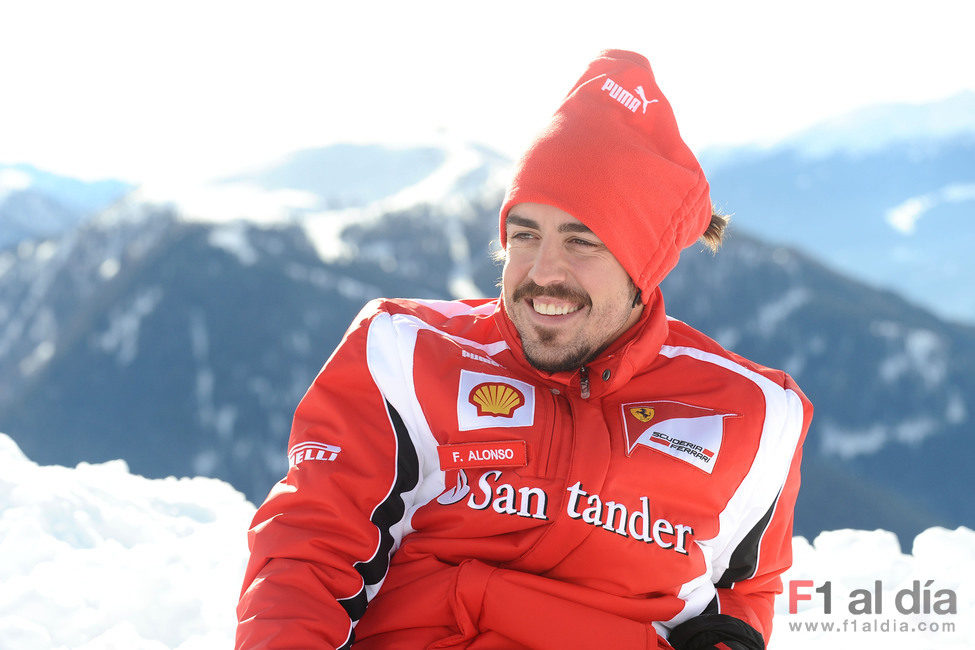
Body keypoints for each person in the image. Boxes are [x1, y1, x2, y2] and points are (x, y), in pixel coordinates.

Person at [236, 49, 812, 650]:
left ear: (644, 265)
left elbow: (744, 587)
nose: (542, 272)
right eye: (524, 235)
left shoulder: (756, 415)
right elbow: (307, 549)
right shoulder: (407, 355)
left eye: (582, 241)